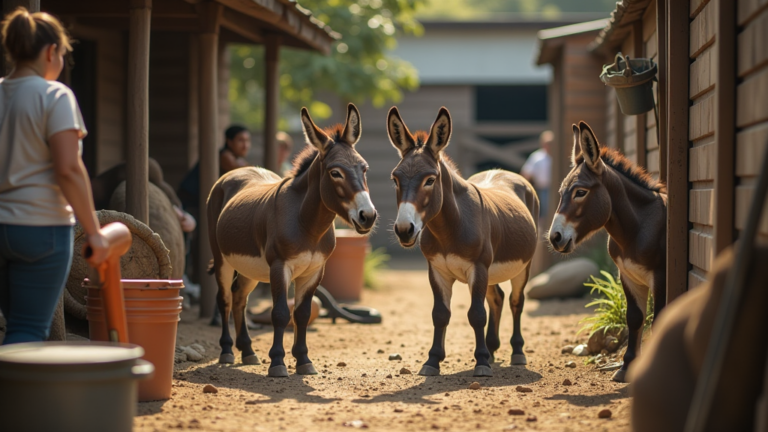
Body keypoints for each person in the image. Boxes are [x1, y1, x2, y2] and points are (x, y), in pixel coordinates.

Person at [0, 8, 108, 344]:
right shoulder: (55, 95)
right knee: (28, 329)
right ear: (51, 52)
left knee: (13, 323)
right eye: (63, 53)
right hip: (41, 230)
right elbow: (69, 168)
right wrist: (94, 233)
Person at [177, 125, 252, 211]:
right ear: (229, 142)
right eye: (240, 140)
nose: (245, 146)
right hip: (190, 200)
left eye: (247, 140)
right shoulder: (224, 156)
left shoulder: (235, 158)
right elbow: (247, 172)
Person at [521, 130, 553, 219]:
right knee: (543, 213)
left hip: (557, 189)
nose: (549, 146)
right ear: (543, 144)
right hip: (541, 189)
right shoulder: (537, 157)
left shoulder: (558, 156)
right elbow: (526, 173)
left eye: (551, 143)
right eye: (548, 143)